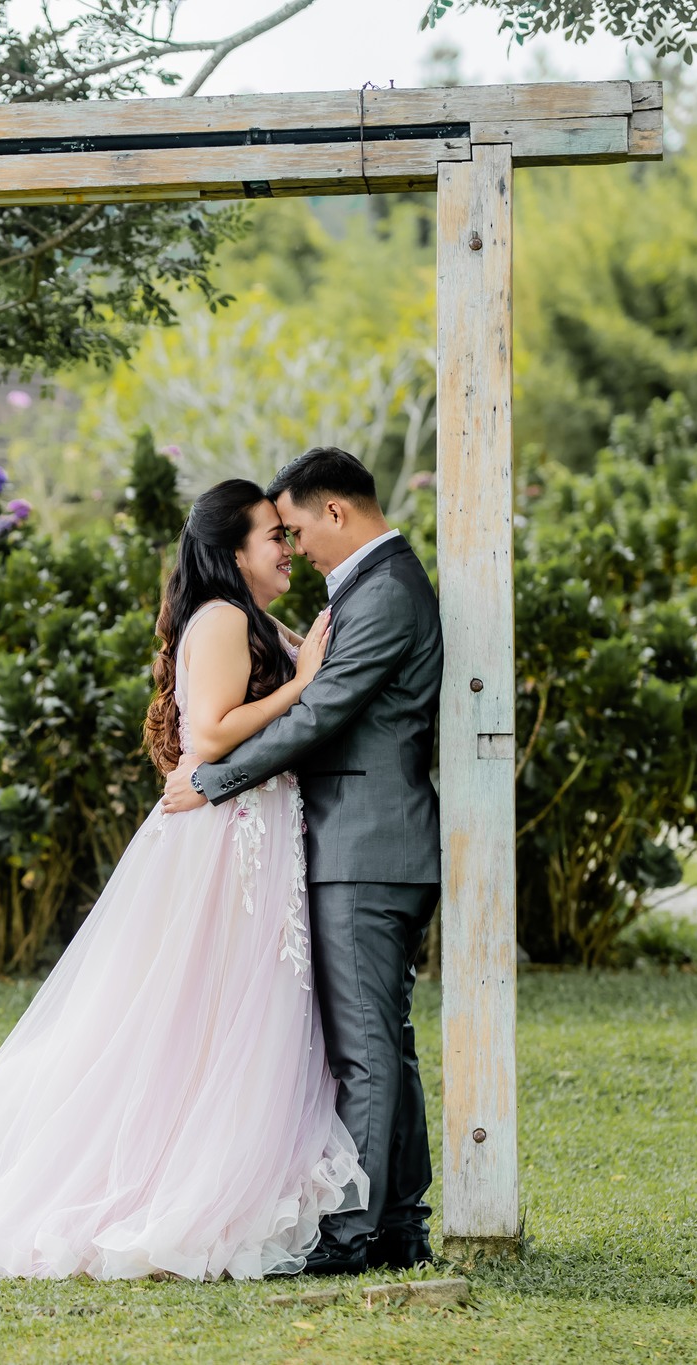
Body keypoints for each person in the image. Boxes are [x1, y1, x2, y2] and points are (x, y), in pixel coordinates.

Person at [0, 477, 367, 1282]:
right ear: (234, 551)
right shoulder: (223, 617)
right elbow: (212, 733)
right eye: (273, 536)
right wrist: (302, 684)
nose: (286, 549)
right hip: (225, 841)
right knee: (200, 1008)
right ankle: (157, 1184)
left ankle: (222, 1161)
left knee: (232, 1012)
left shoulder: (255, 617)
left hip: (258, 831)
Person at [162, 447, 443, 1276]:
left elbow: (321, 712)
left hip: (368, 846)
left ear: (336, 512)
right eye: (275, 534)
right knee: (383, 1043)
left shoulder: (384, 590)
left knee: (364, 1050)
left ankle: (351, 1235)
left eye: (295, 528)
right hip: (365, 843)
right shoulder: (367, 586)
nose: (295, 546)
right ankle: (397, 1227)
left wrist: (212, 780)